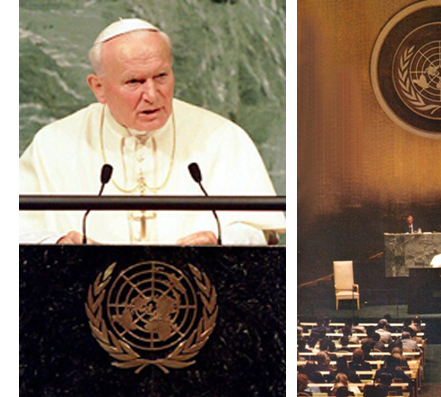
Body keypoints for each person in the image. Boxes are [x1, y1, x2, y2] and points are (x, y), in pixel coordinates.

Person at [19, 18, 285, 245]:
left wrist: (221, 238)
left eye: (161, 77)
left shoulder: (222, 137)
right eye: (134, 81)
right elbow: (16, 227)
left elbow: (262, 229)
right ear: (98, 87)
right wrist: (57, 243)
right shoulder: (54, 144)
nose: (152, 95)